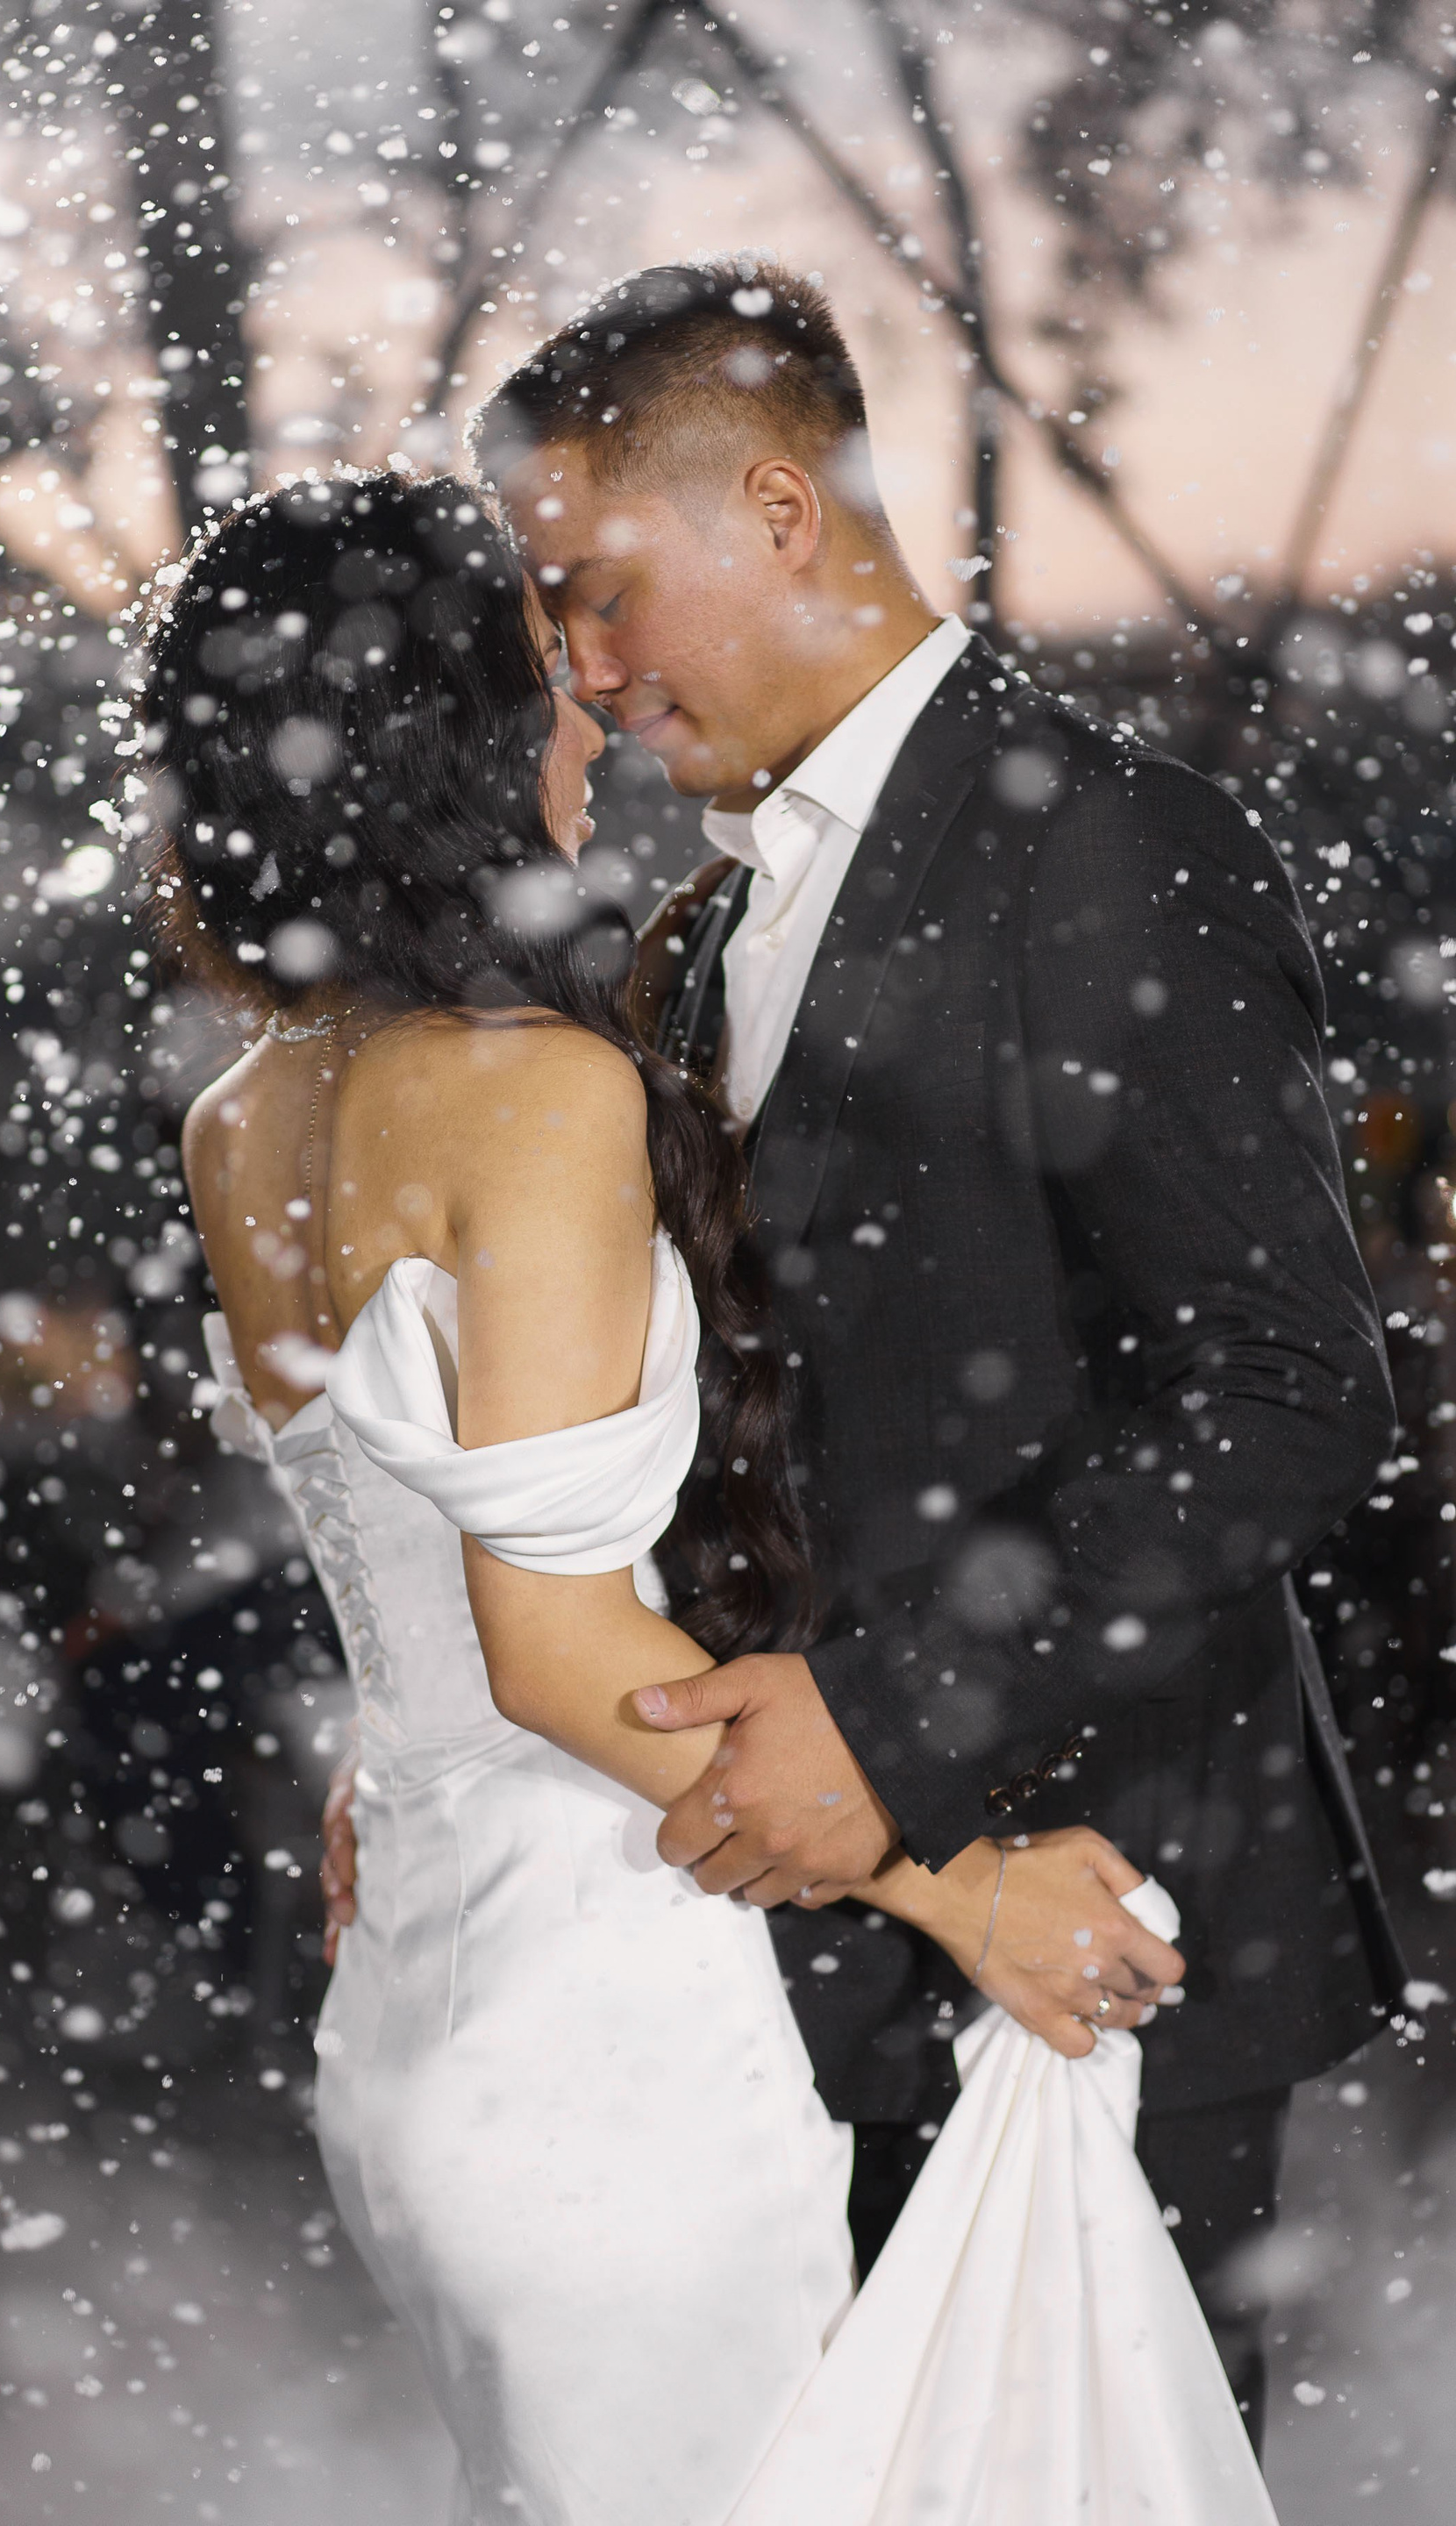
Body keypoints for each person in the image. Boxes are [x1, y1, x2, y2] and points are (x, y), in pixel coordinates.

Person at [326, 258, 1406, 2448]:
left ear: (780, 511)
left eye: (601, 592)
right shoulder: (698, 931)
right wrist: (454, 1733)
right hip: (788, 1950)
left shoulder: (1113, 846)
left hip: (1097, 1921)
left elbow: (1288, 1394)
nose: (581, 668)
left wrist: (897, 1726)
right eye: (549, 620)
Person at [141, 474, 1201, 2522]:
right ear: (453, 730)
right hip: (604, 2028)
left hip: (419, 2013)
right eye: (545, 666)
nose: (589, 707)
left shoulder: (243, 1113)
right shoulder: (533, 1093)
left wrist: (386, 1751)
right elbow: (551, 1652)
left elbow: (409, 1575)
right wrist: (958, 1888)